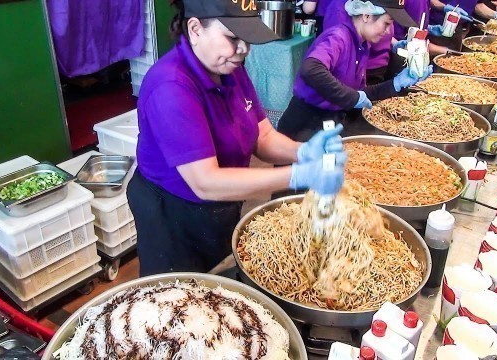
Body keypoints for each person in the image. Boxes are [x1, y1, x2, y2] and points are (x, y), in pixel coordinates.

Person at [127, 0, 346, 276]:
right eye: (232, 38)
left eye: (247, 39)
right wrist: (298, 176)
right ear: (195, 29)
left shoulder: (230, 67)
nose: (243, 50)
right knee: (178, 299)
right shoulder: (170, 86)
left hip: (219, 205)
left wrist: (303, 152)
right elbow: (206, 182)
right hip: (174, 216)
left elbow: (262, 135)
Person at [276, 0, 433, 142]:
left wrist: (396, 84)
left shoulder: (362, 45)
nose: (388, 31)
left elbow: (361, 94)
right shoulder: (339, 37)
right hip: (304, 125)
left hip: (330, 121)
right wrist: (352, 97)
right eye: (386, 24)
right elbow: (311, 69)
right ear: (366, 16)